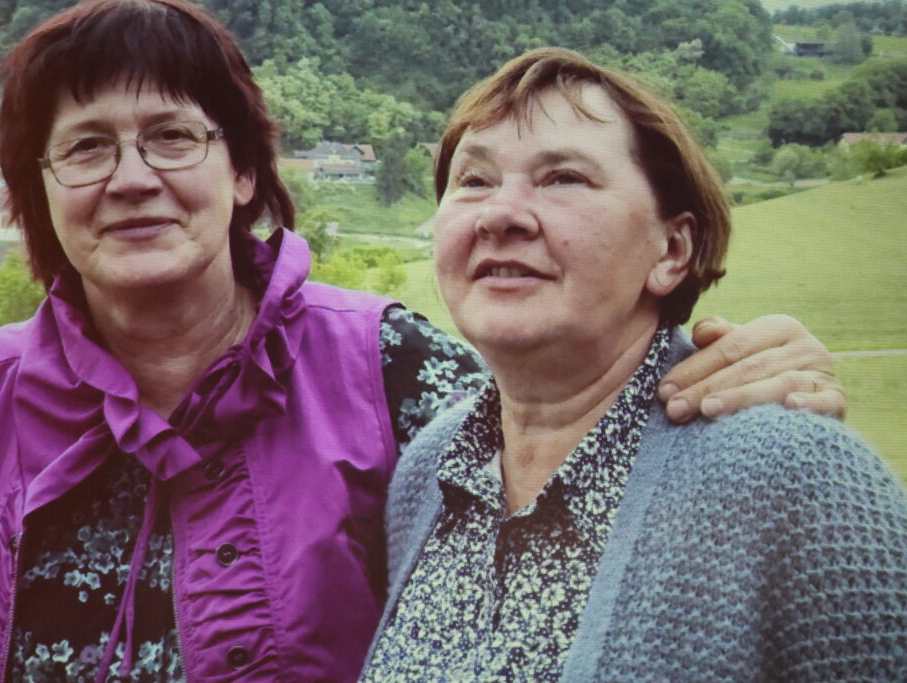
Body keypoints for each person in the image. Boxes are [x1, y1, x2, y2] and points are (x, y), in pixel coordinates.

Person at [0, 3, 846, 681]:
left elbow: (576, 457)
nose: (131, 178)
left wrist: (745, 374)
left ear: (244, 173)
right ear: (42, 189)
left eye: (173, 136)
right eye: (86, 147)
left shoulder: (388, 367)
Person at [362, 47, 907, 682]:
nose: (500, 214)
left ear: (672, 250)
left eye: (564, 178)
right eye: (474, 180)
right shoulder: (428, 474)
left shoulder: (798, 479)